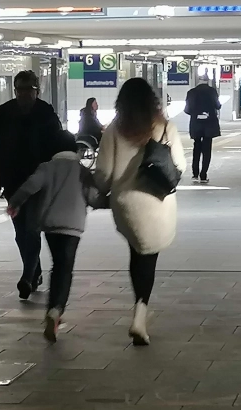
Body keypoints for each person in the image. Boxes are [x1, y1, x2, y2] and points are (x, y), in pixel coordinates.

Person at [94, 78, 186, 346]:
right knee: (148, 257)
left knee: (138, 253)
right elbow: (179, 165)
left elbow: (103, 174)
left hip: (125, 204)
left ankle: (140, 313)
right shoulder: (166, 127)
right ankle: (140, 315)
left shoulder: (114, 130)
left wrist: (101, 188)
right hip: (156, 201)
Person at [7, 131, 101, 343]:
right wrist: (111, 201)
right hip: (73, 226)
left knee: (57, 264)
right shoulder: (81, 171)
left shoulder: (46, 168)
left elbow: (30, 186)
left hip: (50, 225)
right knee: (65, 267)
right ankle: (56, 310)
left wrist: (15, 203)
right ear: (75, 149)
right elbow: (94, 198)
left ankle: (53, 311)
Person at [0, 70, 62, 300]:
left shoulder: (46, 114)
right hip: (12, 181)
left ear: (37, 90)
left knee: (31, 229)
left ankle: (27, 276)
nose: (24, 94)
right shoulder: (5, 113)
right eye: (20, 90)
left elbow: (59, 143)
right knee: (20, 232)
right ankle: (34, 272)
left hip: (38, 182)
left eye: (29, 90)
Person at [184, 79, 221, 183]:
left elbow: (187, 109)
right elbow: (218, 105)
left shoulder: (191, 92)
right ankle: (203, 175)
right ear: (207, 81)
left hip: (196, 124)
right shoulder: (212, 91)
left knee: (196, 147)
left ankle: (195, 174)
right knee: (207, 148)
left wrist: (196, 114)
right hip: (209, 124)